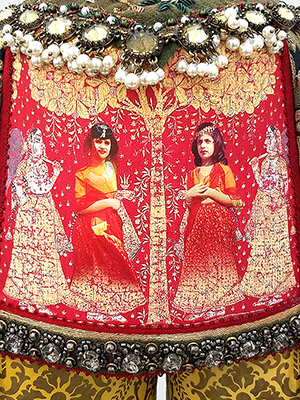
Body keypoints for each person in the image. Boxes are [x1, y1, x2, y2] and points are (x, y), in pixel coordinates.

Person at [67, 123, 145, 321]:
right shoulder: (82, 174)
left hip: (112, 222)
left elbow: (111, 192)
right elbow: (79, 206)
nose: (103, 146)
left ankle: (111, 309)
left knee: (113, 265)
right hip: (91, 227)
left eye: (107, 142)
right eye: (98, 141)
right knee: (97, 267)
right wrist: (108, 202)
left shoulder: (111, 167)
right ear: (90, 144)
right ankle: (96, 310)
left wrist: (119, 197)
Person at [172, 122, 243, 317]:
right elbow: (189, 204)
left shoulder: (223, 170)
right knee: (198, 264)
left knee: (216, 263)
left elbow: (236, 203)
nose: (203, 145)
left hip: (219, 224)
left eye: (208, 141)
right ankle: (199, 305)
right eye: (199, 142)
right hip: (197, 225)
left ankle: (218, 304)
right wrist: (190, 194)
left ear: (216, 144)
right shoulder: (192, 174)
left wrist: (211, 192)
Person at [3, 128, 70, 310]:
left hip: (42, 214)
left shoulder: (41, 164)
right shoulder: (26, 165)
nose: (37, 145)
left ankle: (39, 300)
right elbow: (39, 189)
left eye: (40, 141)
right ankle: (26, 299)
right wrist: (55, 174)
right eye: (34, 141)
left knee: (43, 256)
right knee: (27, 256)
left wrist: (53, 172)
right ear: (29, 145)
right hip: (30, 215)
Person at [240, 125, 296, 299]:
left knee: (277, 248)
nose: (267, 143)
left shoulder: (279, 162)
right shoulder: (265, 161)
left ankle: (278, 289)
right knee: (263, 247)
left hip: (275, 207)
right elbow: (262, 184)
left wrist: (255, 169)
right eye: (267, 139)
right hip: (265, 206)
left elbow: (274, 185)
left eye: (271, 139)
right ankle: (265, 289)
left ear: (278, 142)